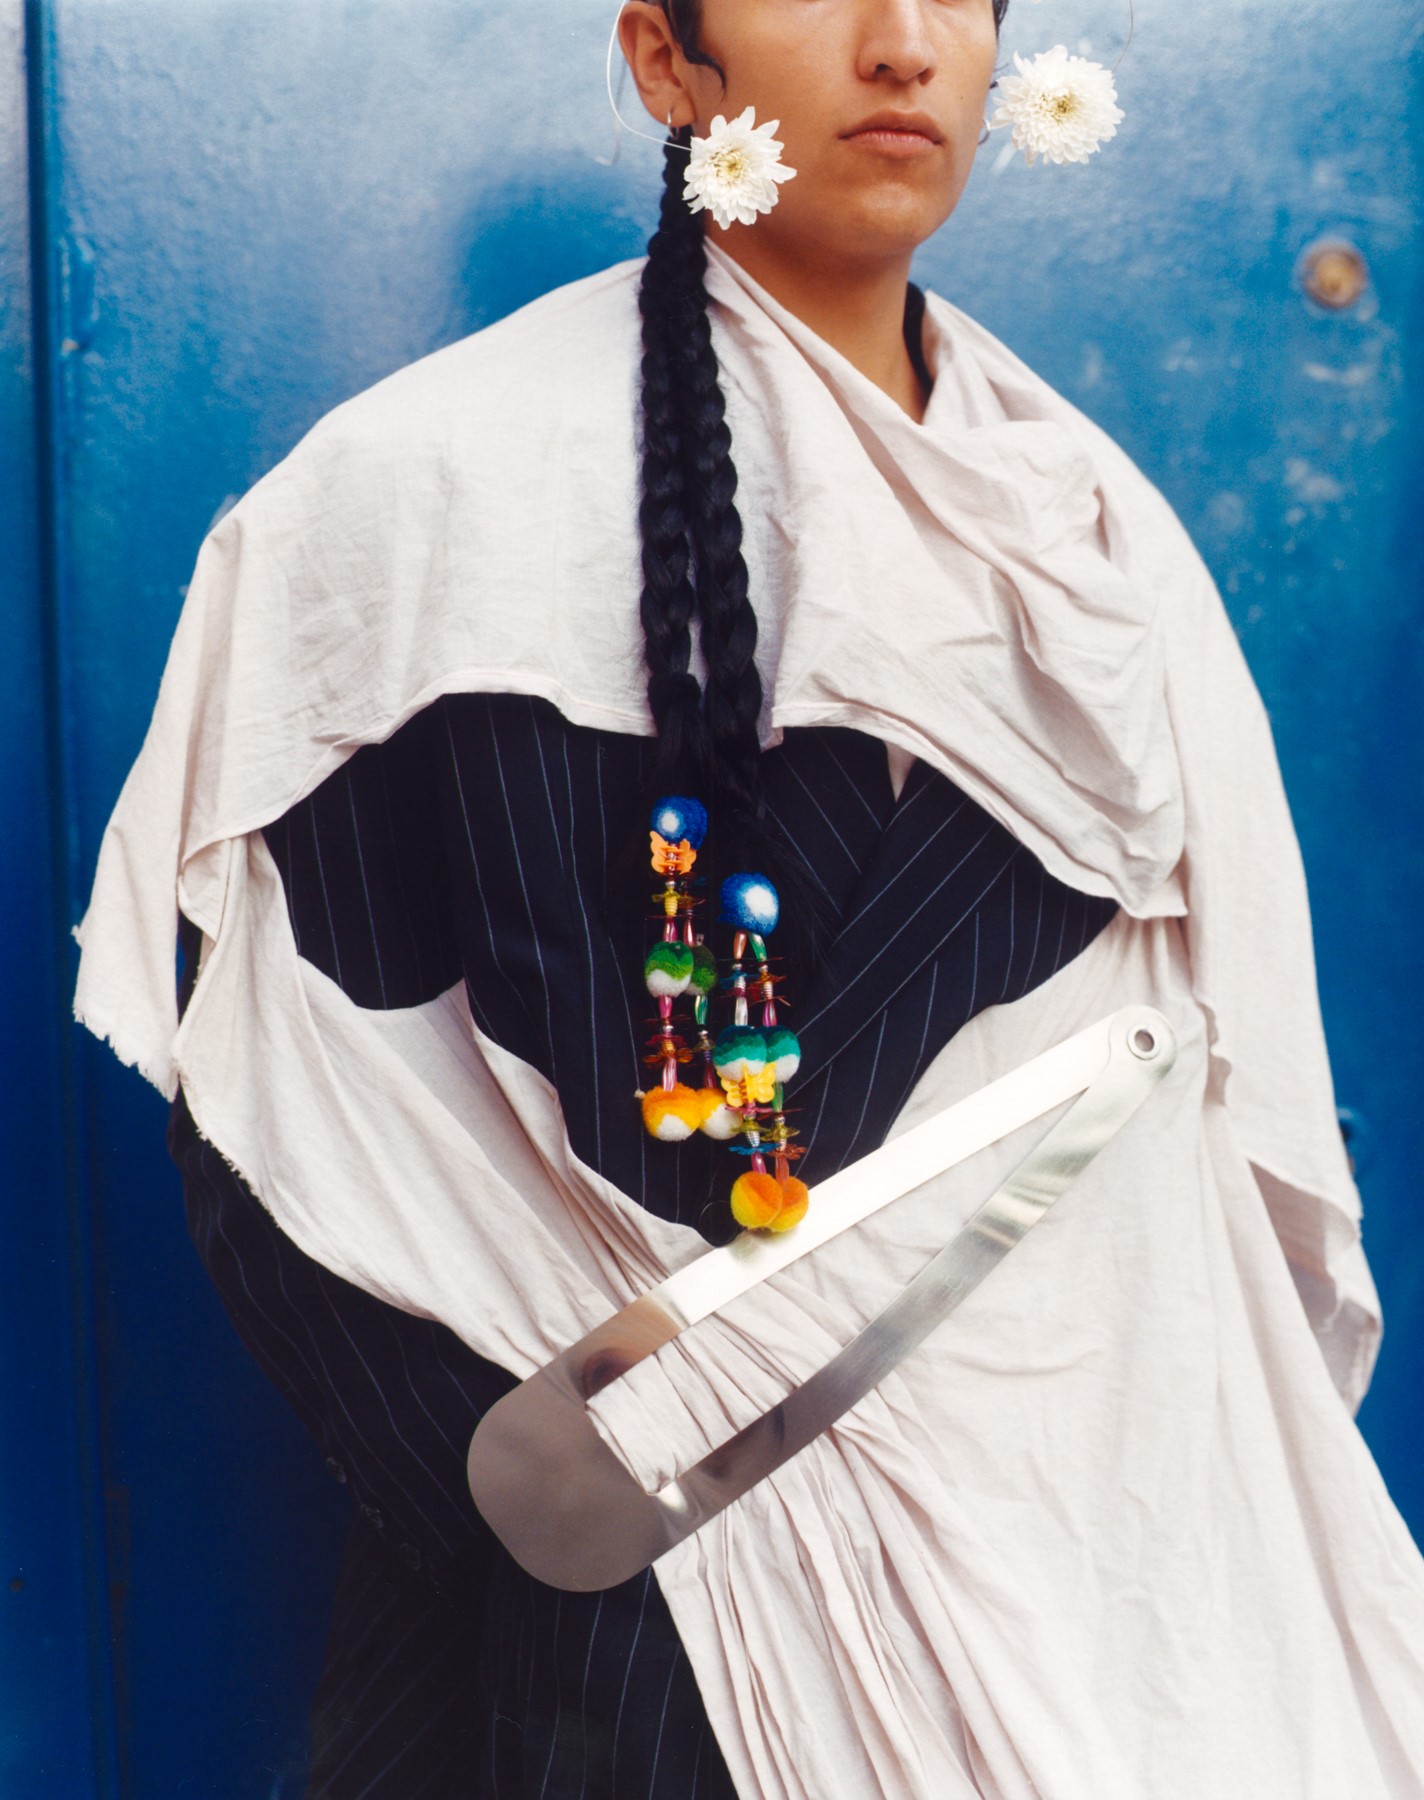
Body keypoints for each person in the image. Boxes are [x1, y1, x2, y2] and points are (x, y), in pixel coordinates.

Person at [75, 1, 1424, 1796]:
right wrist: (567, 1510)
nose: (900, 44)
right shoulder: (427, 498)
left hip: (1091, 1580)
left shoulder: (1097, 536)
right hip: (609, 1622)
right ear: (662, 61)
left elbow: (1204, 1124)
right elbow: (277, 1081)